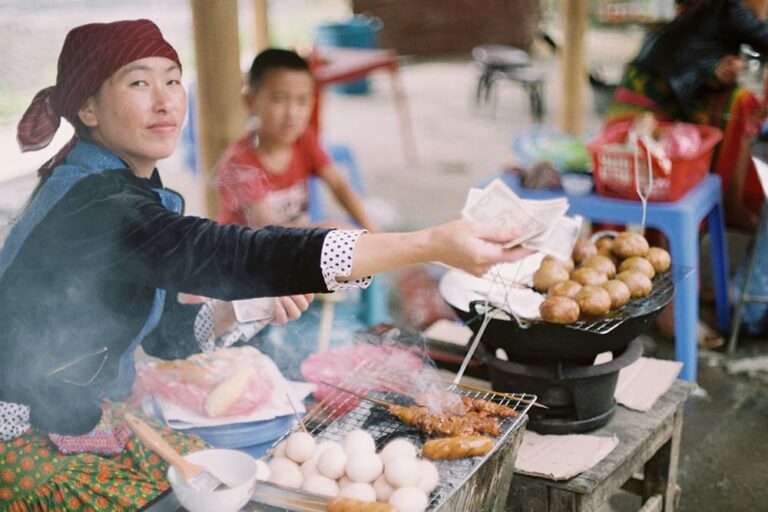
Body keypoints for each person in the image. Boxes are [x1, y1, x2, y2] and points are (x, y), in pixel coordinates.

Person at [0, 20, 529, 510]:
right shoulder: (94, 206)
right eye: (138, 83)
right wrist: (428, 243)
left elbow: (160, 335)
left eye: (173, 80)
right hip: (22, 431)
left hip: (83, 407)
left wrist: (243, 308)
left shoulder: (122, 188)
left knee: (223, 482)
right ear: (87, 108)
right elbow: (232, 252)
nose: (165, 101)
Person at [605, 0, 768, 230]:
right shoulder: (729, 6)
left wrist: (715, 73)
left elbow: (695, 58)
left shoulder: (707, 12)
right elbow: (762, 36)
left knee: (642, 181)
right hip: (645, 97)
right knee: (631, 175)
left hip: (647, 88)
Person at [216, 48, 377, 232]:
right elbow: (267, 229)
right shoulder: (239, 163)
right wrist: (328, 230)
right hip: (250, 249)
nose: (292, 113)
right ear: (250, 102)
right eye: (279, 99)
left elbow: (339, 186)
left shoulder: (304, 140)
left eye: (302, 101)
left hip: (293, 243)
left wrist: (374, 233)